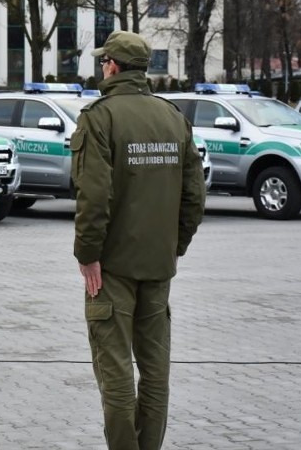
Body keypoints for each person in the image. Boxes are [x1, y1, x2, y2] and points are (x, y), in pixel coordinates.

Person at [70, 31, 206, 449]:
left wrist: (88, 255)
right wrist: (173, 247)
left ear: (112, 65)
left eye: (103, 62)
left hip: (111, 269)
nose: (101, 68)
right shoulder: (173, 117)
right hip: (157, 267)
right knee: (155, 373)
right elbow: (194, 198)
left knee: (115, 377)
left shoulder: (99, 117)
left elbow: (94, 196)